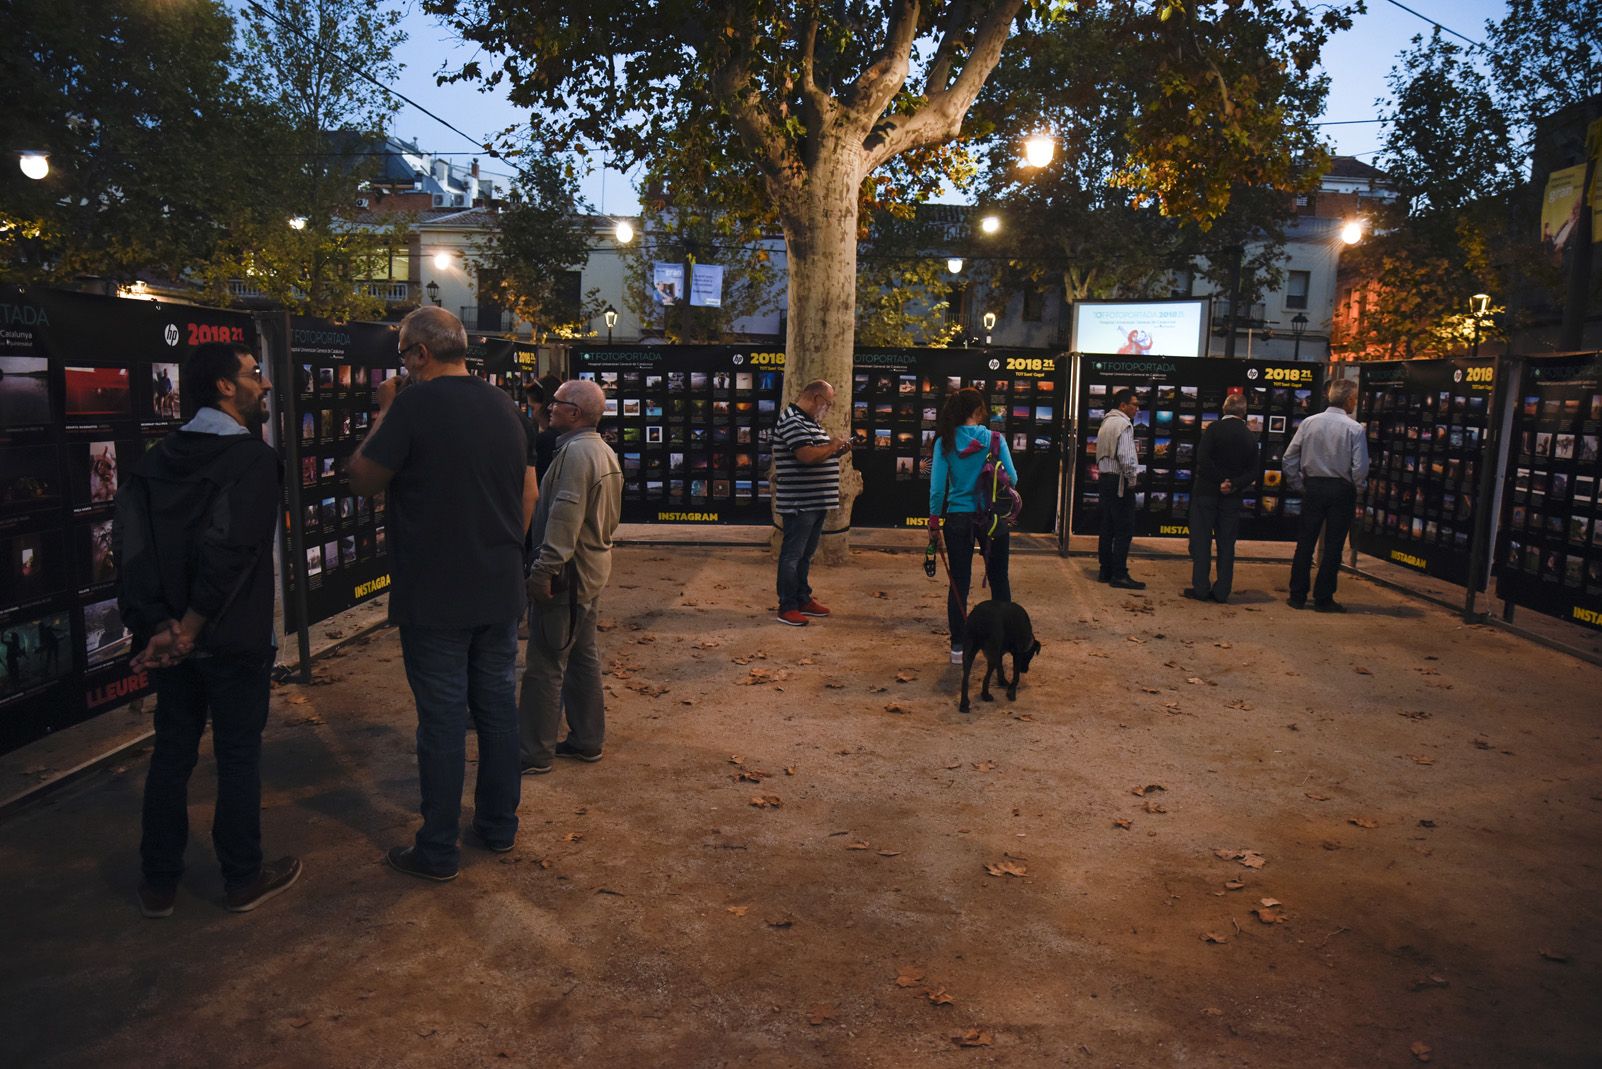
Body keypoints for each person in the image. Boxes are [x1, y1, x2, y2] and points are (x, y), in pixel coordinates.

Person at [349, 306, 537, 880]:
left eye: (403, 355)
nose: (402, 367)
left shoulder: (412, 404)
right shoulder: (504, 404)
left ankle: (436, 849)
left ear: (419, 354)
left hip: (436, 595)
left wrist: (384, 411)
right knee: (499, 712)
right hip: (498, 586)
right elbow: (529, 492)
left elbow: (362, 479)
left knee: (443, 721)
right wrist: (500, 547)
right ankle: (499, 827)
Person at [118, 342, 298, 917]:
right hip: (232, 639)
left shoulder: (154, 460)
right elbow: (231, 550)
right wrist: (189, 628)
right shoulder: (252, 461)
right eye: (254, 375)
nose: (264, 385)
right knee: (238, 755)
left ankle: (158, 883)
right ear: (225, 387)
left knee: (172, 753)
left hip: (171, 643)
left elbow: (133, 553)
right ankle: (242, 877)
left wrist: (157, 628)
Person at [517, 378, 623, 774]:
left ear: (575, 413)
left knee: (545, 666)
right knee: (582, 658)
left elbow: (564, 521)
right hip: (589, 573)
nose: (549, 408)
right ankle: (586, 741)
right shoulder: (600, 451)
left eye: (557, 403)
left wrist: (543, 571)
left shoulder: (576, 456)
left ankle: (534, 753)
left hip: (568, 577)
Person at [929, 388, 1017, 664]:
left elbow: (936, 488)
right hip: (992, 519)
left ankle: (958, 647)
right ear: (978, 410)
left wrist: (934, 523)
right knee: (999, 580)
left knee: (959, 582)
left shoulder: (945, 440)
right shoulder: (994, 439)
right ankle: (1003, 643)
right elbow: (1012, 477)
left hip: (958, 518)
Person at [1283, 378, 1369, 612]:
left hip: (1313, 487)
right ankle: (1323, 598)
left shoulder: (1309, 423)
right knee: (1334, 546)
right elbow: (1360, 467)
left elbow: (1289, 457)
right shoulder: (1355, 428)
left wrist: (1298, 484)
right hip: (1342, 490)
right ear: (1349, 399)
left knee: (1305, 542)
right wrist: (1357, 488)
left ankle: (1297, 595)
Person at [773, 379, 851, 626]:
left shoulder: (809, 422)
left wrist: (836, 450)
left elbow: (817, 452)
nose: (827, 408)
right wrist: (832, 446)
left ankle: (802, 598)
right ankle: (787, 606)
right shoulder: (792, 421)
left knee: (805, 555)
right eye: (827, 403)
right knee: (792, 556)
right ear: (816, 398)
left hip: (815, 501)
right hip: (800, 502)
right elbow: (806, 455)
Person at [1183, 392, 1259, 604]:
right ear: (1244, 412)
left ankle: (1200, 588)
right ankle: (1222, 591)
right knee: (1226, 544)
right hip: (1231, 498)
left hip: (1206, 493)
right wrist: (1232, 484)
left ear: (1224, 409)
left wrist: (1219, 481)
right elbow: (1253, 471)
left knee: (1201, 541)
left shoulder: (1213, 429)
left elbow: (1203, 460)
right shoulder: (1249, 436)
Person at [1095, 388, 1145, 589]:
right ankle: (1119, 574)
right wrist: (1133, 480)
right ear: (1123, 406)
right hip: (1120, 483)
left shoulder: (1106, 423)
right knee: (1124, 529)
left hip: (1105, 480)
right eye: (1134, 404)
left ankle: (1105, 570)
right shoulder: (1123, 425)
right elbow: (1127, 457)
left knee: (1107, 527)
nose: (1137, 408)